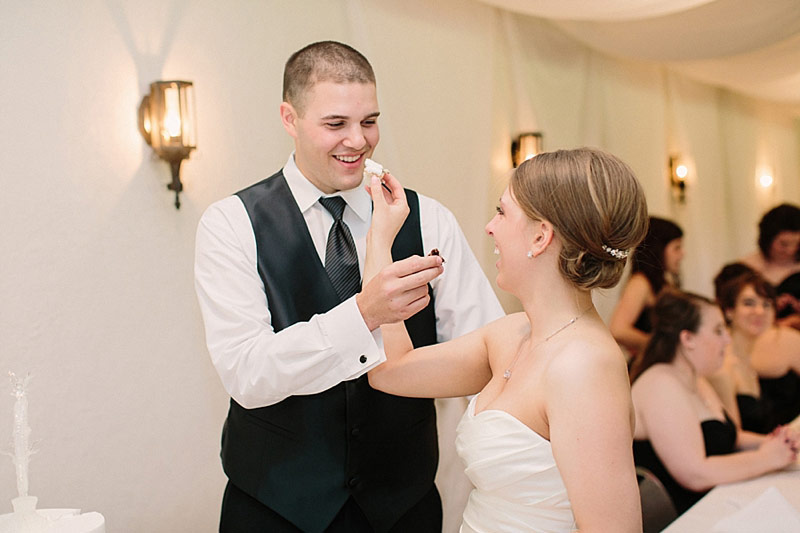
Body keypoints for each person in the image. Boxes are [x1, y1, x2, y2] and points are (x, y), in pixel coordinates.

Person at [194, 41, 504, 532]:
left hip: (403, 507)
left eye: (370, 121)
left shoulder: (430, 222)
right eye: (336, 124)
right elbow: (248, 374)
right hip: (274, 509)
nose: (358, 141)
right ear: (289, 118)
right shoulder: (231, 224)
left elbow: (487, 352)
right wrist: (364, 314)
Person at [363, 147, 649, 531]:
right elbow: (390, 372)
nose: (490, 227)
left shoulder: (584, 366)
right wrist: (379, 240)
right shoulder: (511, 333)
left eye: (502, 212)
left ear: (540, 236)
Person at [629, 290, 798, 517]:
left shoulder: (694, 377)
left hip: (716, 502)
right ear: (687, 338)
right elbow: (695, 474)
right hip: (685, 516)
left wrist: (778, 442)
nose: (727, 339)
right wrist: (767, 458)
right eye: (718, 331)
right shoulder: (660, 383)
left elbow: (731, 436)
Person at [711, 264, 800, 433]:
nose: (760, 311)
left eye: (767, 304)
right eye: (749, 303)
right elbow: (733, 438)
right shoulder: (723, 365)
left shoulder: (745, 359)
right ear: (729, 311)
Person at [610, 216, 684, 359]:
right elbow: (618, 329)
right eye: (677, 248)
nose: (682, 254)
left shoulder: (663, 283)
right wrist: (662, 346)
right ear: (660, 249)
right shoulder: (640, 283)